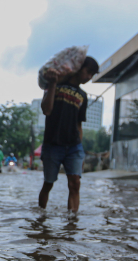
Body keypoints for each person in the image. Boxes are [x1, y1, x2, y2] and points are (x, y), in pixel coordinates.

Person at [38, 56, 99, 213]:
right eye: (88, 72)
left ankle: (72, 224)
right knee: (48, 184)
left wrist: (80, 150)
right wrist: (52, 83)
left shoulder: (83, 96)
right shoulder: (55, 85)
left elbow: (79, 124)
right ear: (78, 67)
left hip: (74, 147)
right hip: (53, 144)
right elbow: (47, 110)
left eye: (92, 75)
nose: (89, 77)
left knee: (75, 184)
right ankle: (40, 217)